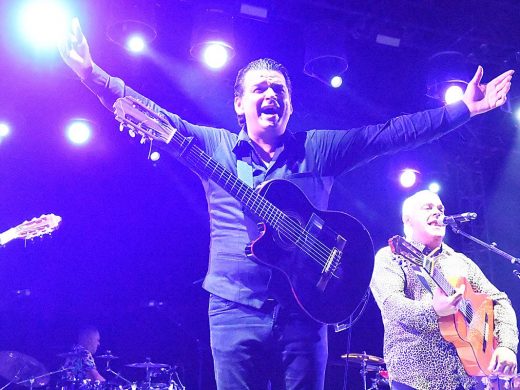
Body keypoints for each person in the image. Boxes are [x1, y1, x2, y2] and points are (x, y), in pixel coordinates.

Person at [58, 16, 514, 390]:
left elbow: (388, 134)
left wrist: (462, 110)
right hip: (234, 308)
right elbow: (151, 113)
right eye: (259, 89)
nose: (270, 95)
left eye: (280, 90)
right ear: (240, 105)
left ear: (290, 107)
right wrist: (90, 74)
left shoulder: (317, 148)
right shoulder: (212, 147)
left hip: (308, 310)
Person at [370, 190, 518, 390]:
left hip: (467, 380)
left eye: (440, 209)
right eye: (428, 208)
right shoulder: (390, 256)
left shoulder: (460, 261)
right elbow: (391, 305)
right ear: (407, 219)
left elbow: (499, 301)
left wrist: (506, 346)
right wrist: (434, 311)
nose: (437, 213)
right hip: (416, 380)